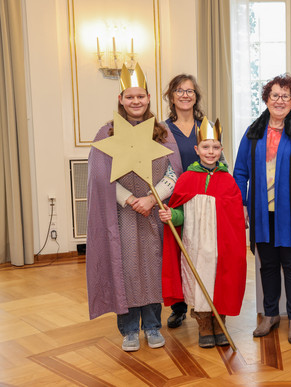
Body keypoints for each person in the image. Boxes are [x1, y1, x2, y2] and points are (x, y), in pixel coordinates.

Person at [86, 63, 183, 352]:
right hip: (123, 214)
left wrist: (152, 199)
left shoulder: (162, 131)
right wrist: (130, 199)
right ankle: (128, 329)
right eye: (130, 97)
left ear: (149, 98)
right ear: (121, 99)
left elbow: (174, 172)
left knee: (153, 267)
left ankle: (153, 325)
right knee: (125, 267)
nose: (136, 101)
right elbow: (101, 176)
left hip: (153, 211)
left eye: (141, 96)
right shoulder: (108, 132)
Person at [234, 74, 291, 344]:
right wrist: (242, 204)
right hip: (262, 213)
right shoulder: (252, 133)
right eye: (275, 95)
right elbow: (239, 173)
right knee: (268, 266)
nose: (280, 101)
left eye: (286, 96)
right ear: (266, 99)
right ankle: (270, 315)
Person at [159, 118, 246, 348]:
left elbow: (235, 219)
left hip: (221, 246)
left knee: (219, 279)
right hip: (194, 244)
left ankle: (220, 321)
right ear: (197, 149)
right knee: (199, 281)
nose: (210, 152)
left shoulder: (228, 180)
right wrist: (171, 216)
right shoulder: (187, 179)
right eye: (206, 147)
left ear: (222, 150)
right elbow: (180, 214)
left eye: (215, 147)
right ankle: (204, 323)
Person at [162, 74, 227, 328]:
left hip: (204, 199)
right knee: (177, 250)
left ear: (196, 96)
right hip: (174, 196)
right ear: (171, 96)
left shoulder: (205, 126)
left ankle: (207, 303)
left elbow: (219, 159)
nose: (185, 95)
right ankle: (179, 306)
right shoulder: (162, 129)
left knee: (203, 251)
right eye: (179, 90)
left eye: (190, 91)